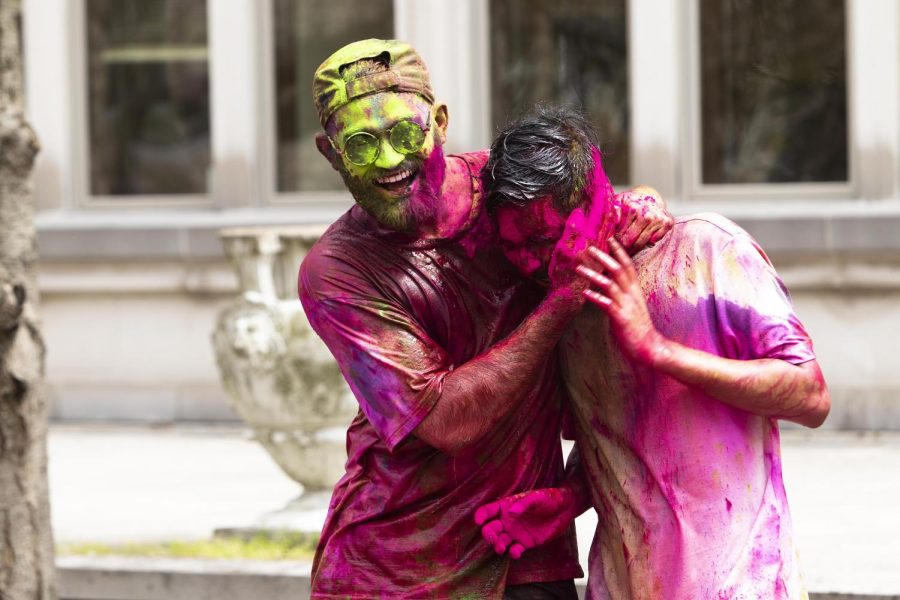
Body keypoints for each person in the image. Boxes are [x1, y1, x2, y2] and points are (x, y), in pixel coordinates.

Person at [299, 40, 672, 598]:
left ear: (440, 123)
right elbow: (447, 422)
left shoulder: (510, 191)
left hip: (524, 540)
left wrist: (644, 202)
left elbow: (598, 202)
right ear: (331, 154)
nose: (389, 162)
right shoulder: (338, 271)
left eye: (405, 133)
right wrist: (561, 303)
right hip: (397, 566)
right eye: (360, 144)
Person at [475, 106, 830, 600]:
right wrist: (567, 500)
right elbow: (623, 440)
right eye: (515, 246)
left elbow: (810, 396)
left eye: (544, 238)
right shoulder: (560, 307)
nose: (533, 261)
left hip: (737, 583)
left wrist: (658, 351)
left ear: (596, 192)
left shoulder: (708, 249)